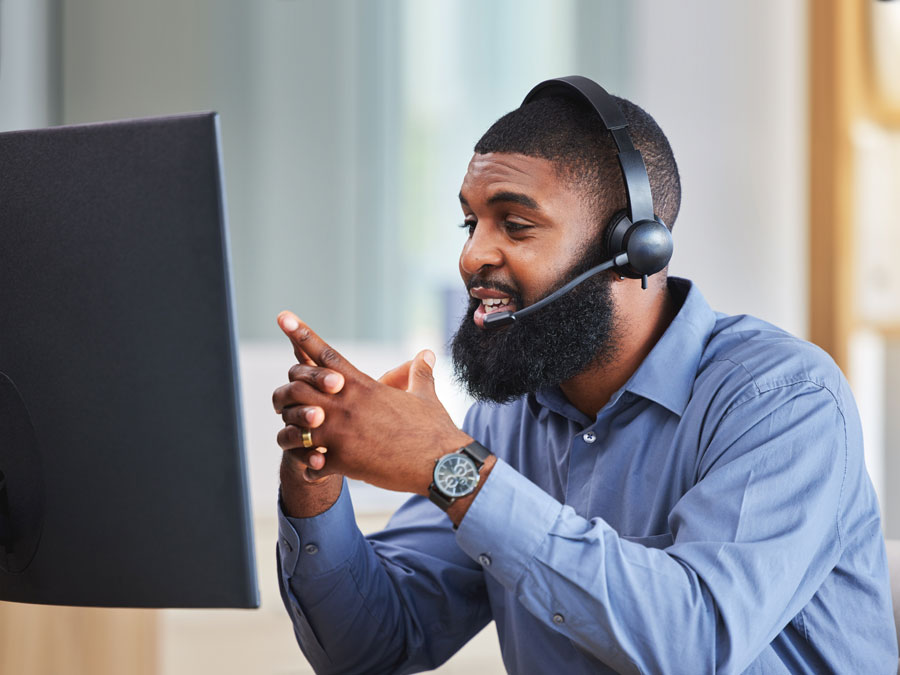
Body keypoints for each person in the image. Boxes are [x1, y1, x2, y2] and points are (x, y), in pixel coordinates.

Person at [271, 77, 897, 674]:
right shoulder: (506, 419)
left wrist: (449, 468)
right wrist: (314, 480)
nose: (471, 256)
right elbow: (370, 645)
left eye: (515, 224)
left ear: (632, 248)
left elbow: (697, 642)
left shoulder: (782, 401)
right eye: (471, 223)